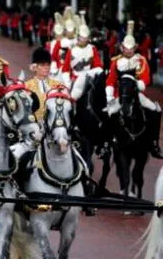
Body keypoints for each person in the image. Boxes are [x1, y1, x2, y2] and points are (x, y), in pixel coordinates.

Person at [105, 20, 163, 159]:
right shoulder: (115, 61)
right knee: (108, 113)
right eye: (126, 47)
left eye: (131, 48)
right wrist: (110, 97)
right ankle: (107, 144)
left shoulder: (141, 60)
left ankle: (154, 143)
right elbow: (111, 81)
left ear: (134, 48)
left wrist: (138, 84)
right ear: (122, 48)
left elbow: (146, 79)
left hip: (137, 94)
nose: (129, 50)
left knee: (156, 110)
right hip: (120, 95)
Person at [61, 21, 103, 88]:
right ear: (78, 37)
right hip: (75, 79)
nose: (83, 40)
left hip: (89, 78)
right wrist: (67, 83)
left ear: (88, 38)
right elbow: (65, 69)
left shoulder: (92, 48)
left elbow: (98, 65)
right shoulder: (72, 49)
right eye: (81, 37)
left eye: (85, 38)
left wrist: (91, 73)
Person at [25, 47, 60, 122]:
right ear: (34, 67)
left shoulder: (58, 85)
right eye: (42, 65)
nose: (46, 67)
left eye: (48, 65)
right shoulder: (26, 86)